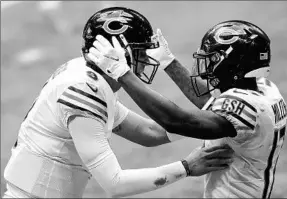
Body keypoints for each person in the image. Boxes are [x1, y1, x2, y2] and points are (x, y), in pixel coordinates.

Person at [2, 7, 234, 198]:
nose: (145, 59)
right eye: (140, 52)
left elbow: (150, 132)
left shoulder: (89, 77)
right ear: (118, 53)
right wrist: (186, 167)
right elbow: (115, 184)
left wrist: (203, 124)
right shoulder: (84, 90)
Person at [88, 20, 287, 198]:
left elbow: (178, 121)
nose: (207, 66)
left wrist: (123, 73)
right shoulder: (265, 91)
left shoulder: (249, 108)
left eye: (213, 59)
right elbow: (211, 104)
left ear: (233, 64)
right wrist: (169, 63)